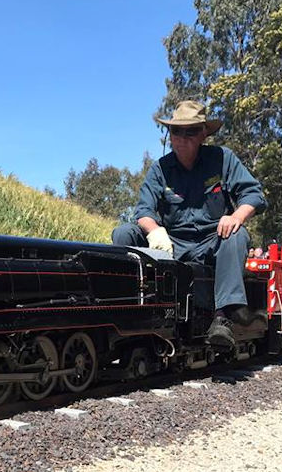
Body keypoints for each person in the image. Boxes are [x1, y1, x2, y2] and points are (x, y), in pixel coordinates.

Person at [112, 100, 268, 348]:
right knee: (123, 233)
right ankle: (124, 309)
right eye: (176, 131)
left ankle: (223, 318)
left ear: (204, 133)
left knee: (237, 235)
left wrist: (236, 217)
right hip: (171, 242)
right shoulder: (160, 169)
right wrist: (154, 231)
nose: (182, 138)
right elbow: (143, 210)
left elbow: (253, 195)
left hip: (213, 240)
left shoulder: (223, 159)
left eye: (191, 131)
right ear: (169, 134)